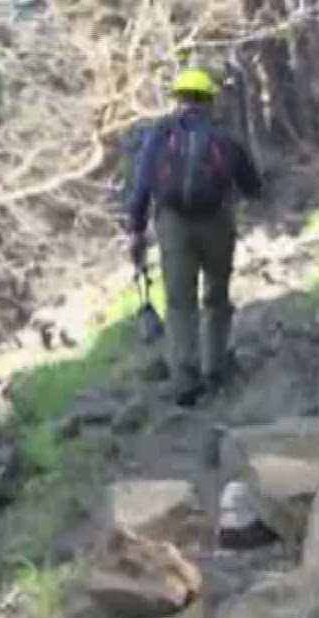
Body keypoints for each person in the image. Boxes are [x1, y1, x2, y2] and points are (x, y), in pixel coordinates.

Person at [126, 67, 265, 403]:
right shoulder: (226, 139)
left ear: (179, 99)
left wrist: (136, 229)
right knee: (216, 297)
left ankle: (185, 378)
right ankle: (214, 369)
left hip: (173, 222)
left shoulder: (160, 134)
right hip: (217, 220)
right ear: (209, 100)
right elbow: (253, 186)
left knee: (179, 302)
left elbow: (143, 183)